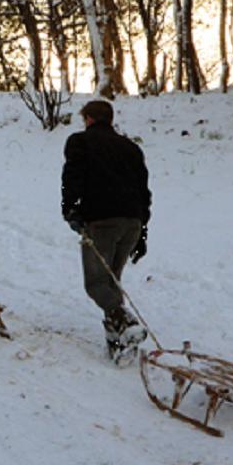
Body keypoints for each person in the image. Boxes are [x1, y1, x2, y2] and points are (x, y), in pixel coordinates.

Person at [61, 100, 152, 363]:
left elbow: (72, 176)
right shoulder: (131, 148)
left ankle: (125, 322)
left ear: (89, 118)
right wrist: (142, 232)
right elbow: (144, 191)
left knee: (96, 283)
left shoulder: (80, 141)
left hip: (102, 221)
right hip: (132, 222)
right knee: (111, 281)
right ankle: (118, 342)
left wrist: (70, 209)